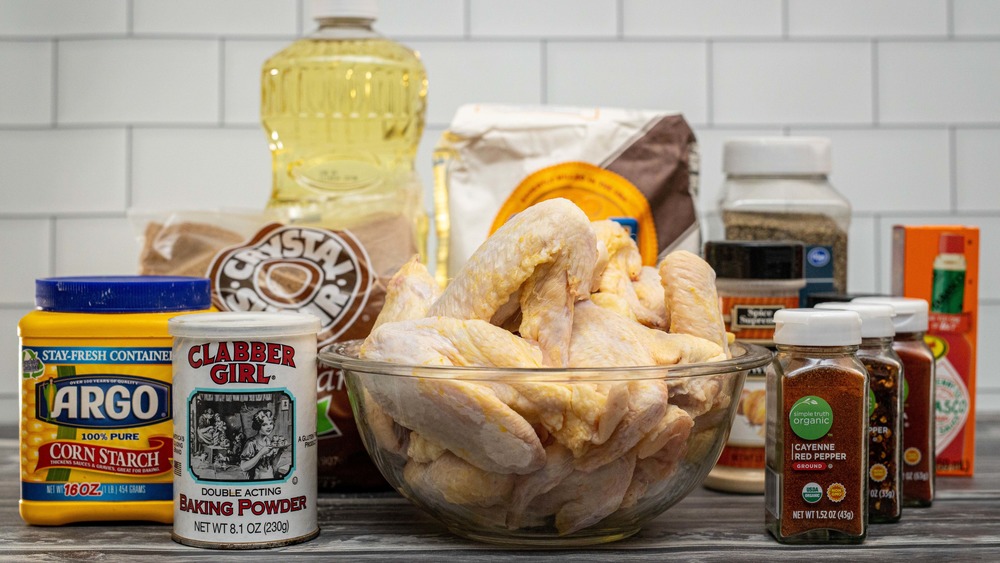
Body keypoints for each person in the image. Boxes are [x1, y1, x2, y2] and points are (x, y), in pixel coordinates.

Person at [239, 409, 287, 480]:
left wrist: (280, 451)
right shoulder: (251, 443)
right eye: (264, 424)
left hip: (269, 476)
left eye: (271, 423)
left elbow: (273, 464)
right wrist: (261, 453)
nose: (269, 427)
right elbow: (243, 467)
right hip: (256, 479)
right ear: (258, 426)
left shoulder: (269, 441)